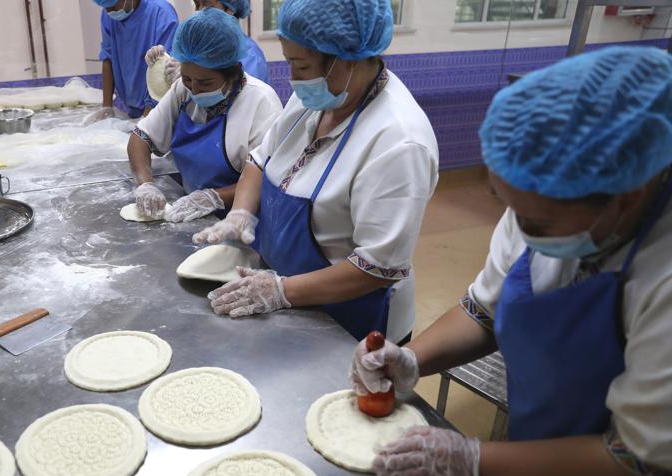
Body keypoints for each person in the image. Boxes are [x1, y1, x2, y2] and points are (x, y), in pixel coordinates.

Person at [353, 47, 672, 476]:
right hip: (533, 472)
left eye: (536, 220)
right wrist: (414, 360)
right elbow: (484, 310)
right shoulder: (545, 204)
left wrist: (474, 459)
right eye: (509, 207)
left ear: (627, 199)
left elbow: (639, 458)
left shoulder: (662, 275)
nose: (520, 228)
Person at [193, 0, 438, 343]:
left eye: (302, 66)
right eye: (290, 62)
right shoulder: (318, 97)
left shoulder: (398, 143)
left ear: (348, 59)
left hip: (353, 322)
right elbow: (260, 160)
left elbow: (376, 268)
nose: (293, 79)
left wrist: (280, 291)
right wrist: (241, 212)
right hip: (290, 299)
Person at [129, 9, 282, 222]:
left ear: (233, 73)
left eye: (205, 82)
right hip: (193, 217)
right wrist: (145, 184)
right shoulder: (182, 91)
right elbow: (141, 136)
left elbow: (266, 180)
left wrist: (213, 198)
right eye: (188, 78)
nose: (195, 89)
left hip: (245, 222)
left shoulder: (261, 103)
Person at [89, 0, 178, 122]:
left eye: (113, 6)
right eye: (105, 8)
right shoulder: (108, 15)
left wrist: (146, 121)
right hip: (132, 110)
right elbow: (108, 58)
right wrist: (107, 107)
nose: (110, 11)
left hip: (159, 110)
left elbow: (162, 70)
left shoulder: (161, 13)